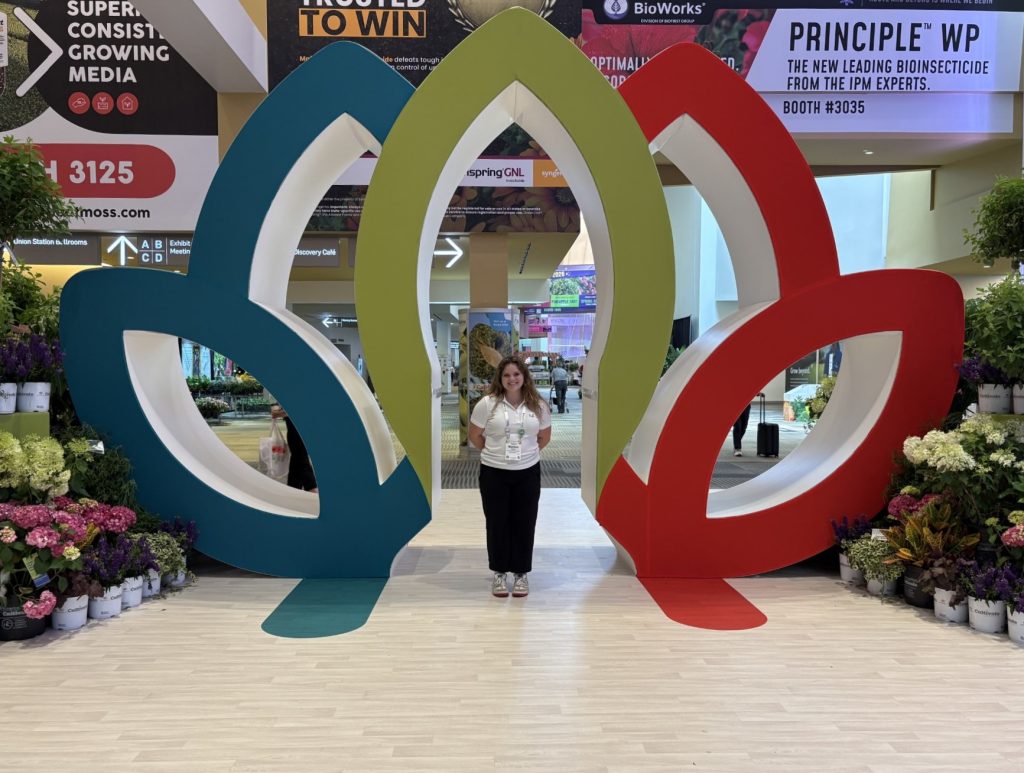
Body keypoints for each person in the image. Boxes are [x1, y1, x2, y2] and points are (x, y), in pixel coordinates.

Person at [468, 355, 552, 598]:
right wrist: (494, 454)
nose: (512, 379)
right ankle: (499, 573)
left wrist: (526, 454)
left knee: (525, 522)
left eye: (516, 374)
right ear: (500, 379)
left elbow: (544, 438)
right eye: (506, 375)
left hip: (528, 472)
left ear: (524, 377)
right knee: (497, 523)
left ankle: (521, 573)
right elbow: (475, 436)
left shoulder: (538, 405)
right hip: (494, 473)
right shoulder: (487, 404)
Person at [269, 405, 318, 492]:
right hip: (294, 431)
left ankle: (311, 487)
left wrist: (278, 413)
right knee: (296, 459)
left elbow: (298, 410)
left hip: (298, 432)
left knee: (300, 458)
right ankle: (293, 487)